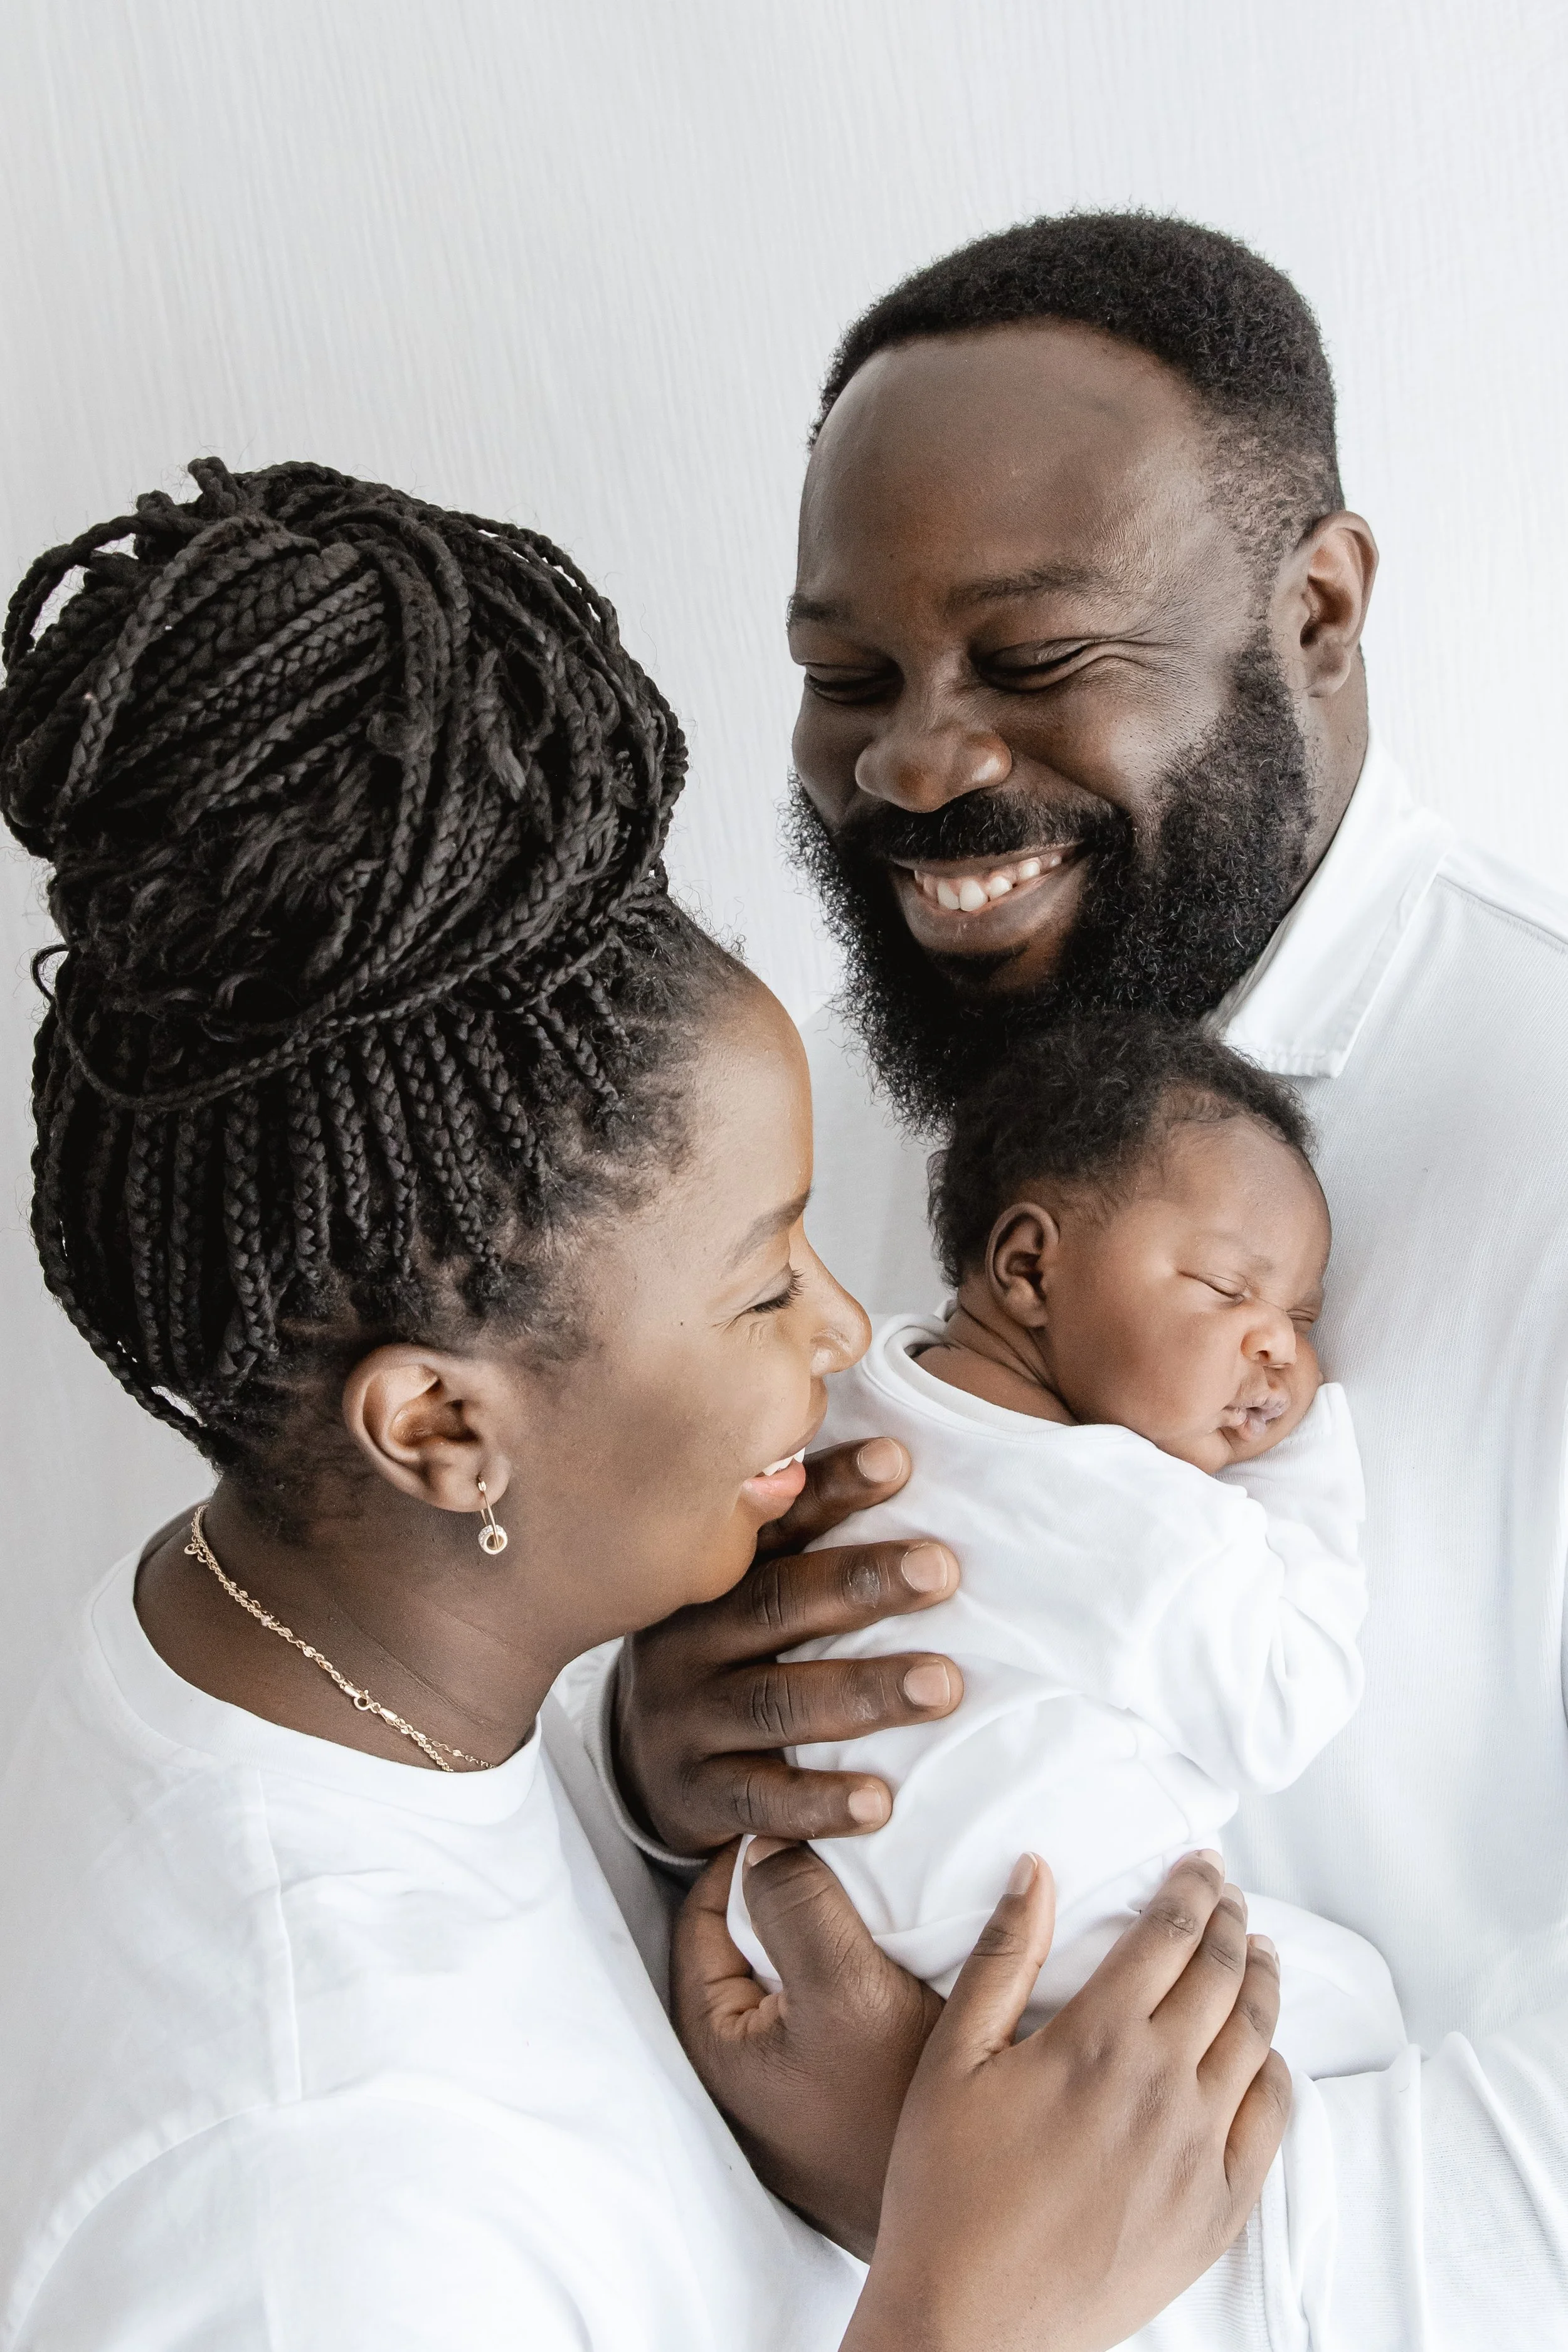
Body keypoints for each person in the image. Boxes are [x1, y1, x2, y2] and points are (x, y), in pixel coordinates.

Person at [0, 457, 1288, 2350]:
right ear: (440, 1428)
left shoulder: (295, 1641)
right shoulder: (312, 2203)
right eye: (766, 1276)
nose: (845, 1324)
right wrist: (965, 2306)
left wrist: (626, 1783)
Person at [610, 216, 1568, 2341]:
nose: (912, 765)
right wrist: (660, 1750)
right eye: (849, 678)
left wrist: (971, 2211)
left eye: (1032, 661)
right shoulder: (857, 1102)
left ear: (1314, 609)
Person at [729, 1014, 1404, 2087]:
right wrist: (1305, 1465)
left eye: (1301, 1319)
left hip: (782, 1937)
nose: (1279, 1346)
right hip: (1048, 1969)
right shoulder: (1141, 1515)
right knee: (1358, 2002)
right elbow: (1286, 1702)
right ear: (1031, 1266)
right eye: (1230, 1290)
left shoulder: (842, 1405)